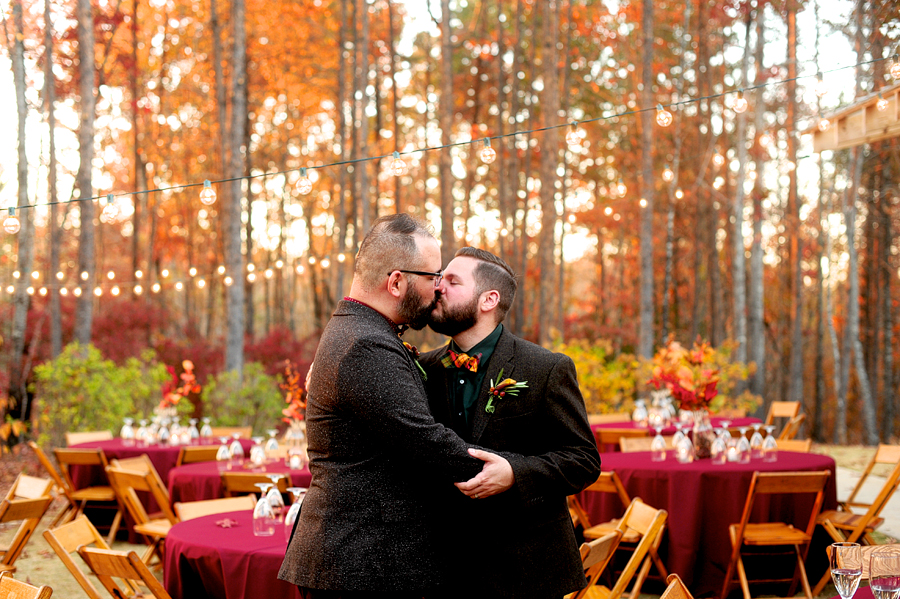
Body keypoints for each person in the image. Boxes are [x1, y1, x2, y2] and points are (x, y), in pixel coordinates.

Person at [278, 215, 514, 598]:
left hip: (363, 558)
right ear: (396, 282)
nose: (438, 288)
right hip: (361, 562)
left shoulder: (359, 330)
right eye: (432, 277)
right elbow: (426, 443)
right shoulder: (365, 344)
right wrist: (514, 472)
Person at [420, 247, 602, 599]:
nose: (438, 286)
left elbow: (583, 460)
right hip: (446, 568)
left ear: (489, 299)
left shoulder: (546, 368)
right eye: (440, 278)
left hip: (527, 569)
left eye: (452, 280)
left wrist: (515, 473)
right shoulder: (423, 370)